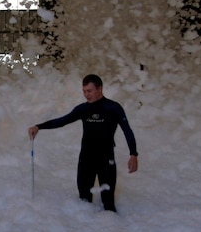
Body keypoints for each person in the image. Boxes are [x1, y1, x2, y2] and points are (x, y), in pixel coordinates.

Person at [28, 74, 138, 212]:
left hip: (106, 159)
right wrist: (38, 126)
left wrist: (133, 154)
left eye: (89, 91)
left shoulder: (113, 108)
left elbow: (127, 130)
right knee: (84, 203)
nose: (86, 95)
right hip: (86, 158)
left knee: (108, 204)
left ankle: (111, 229)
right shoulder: (83, 109)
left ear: (100, 88)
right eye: (84, 91)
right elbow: (62, 121)